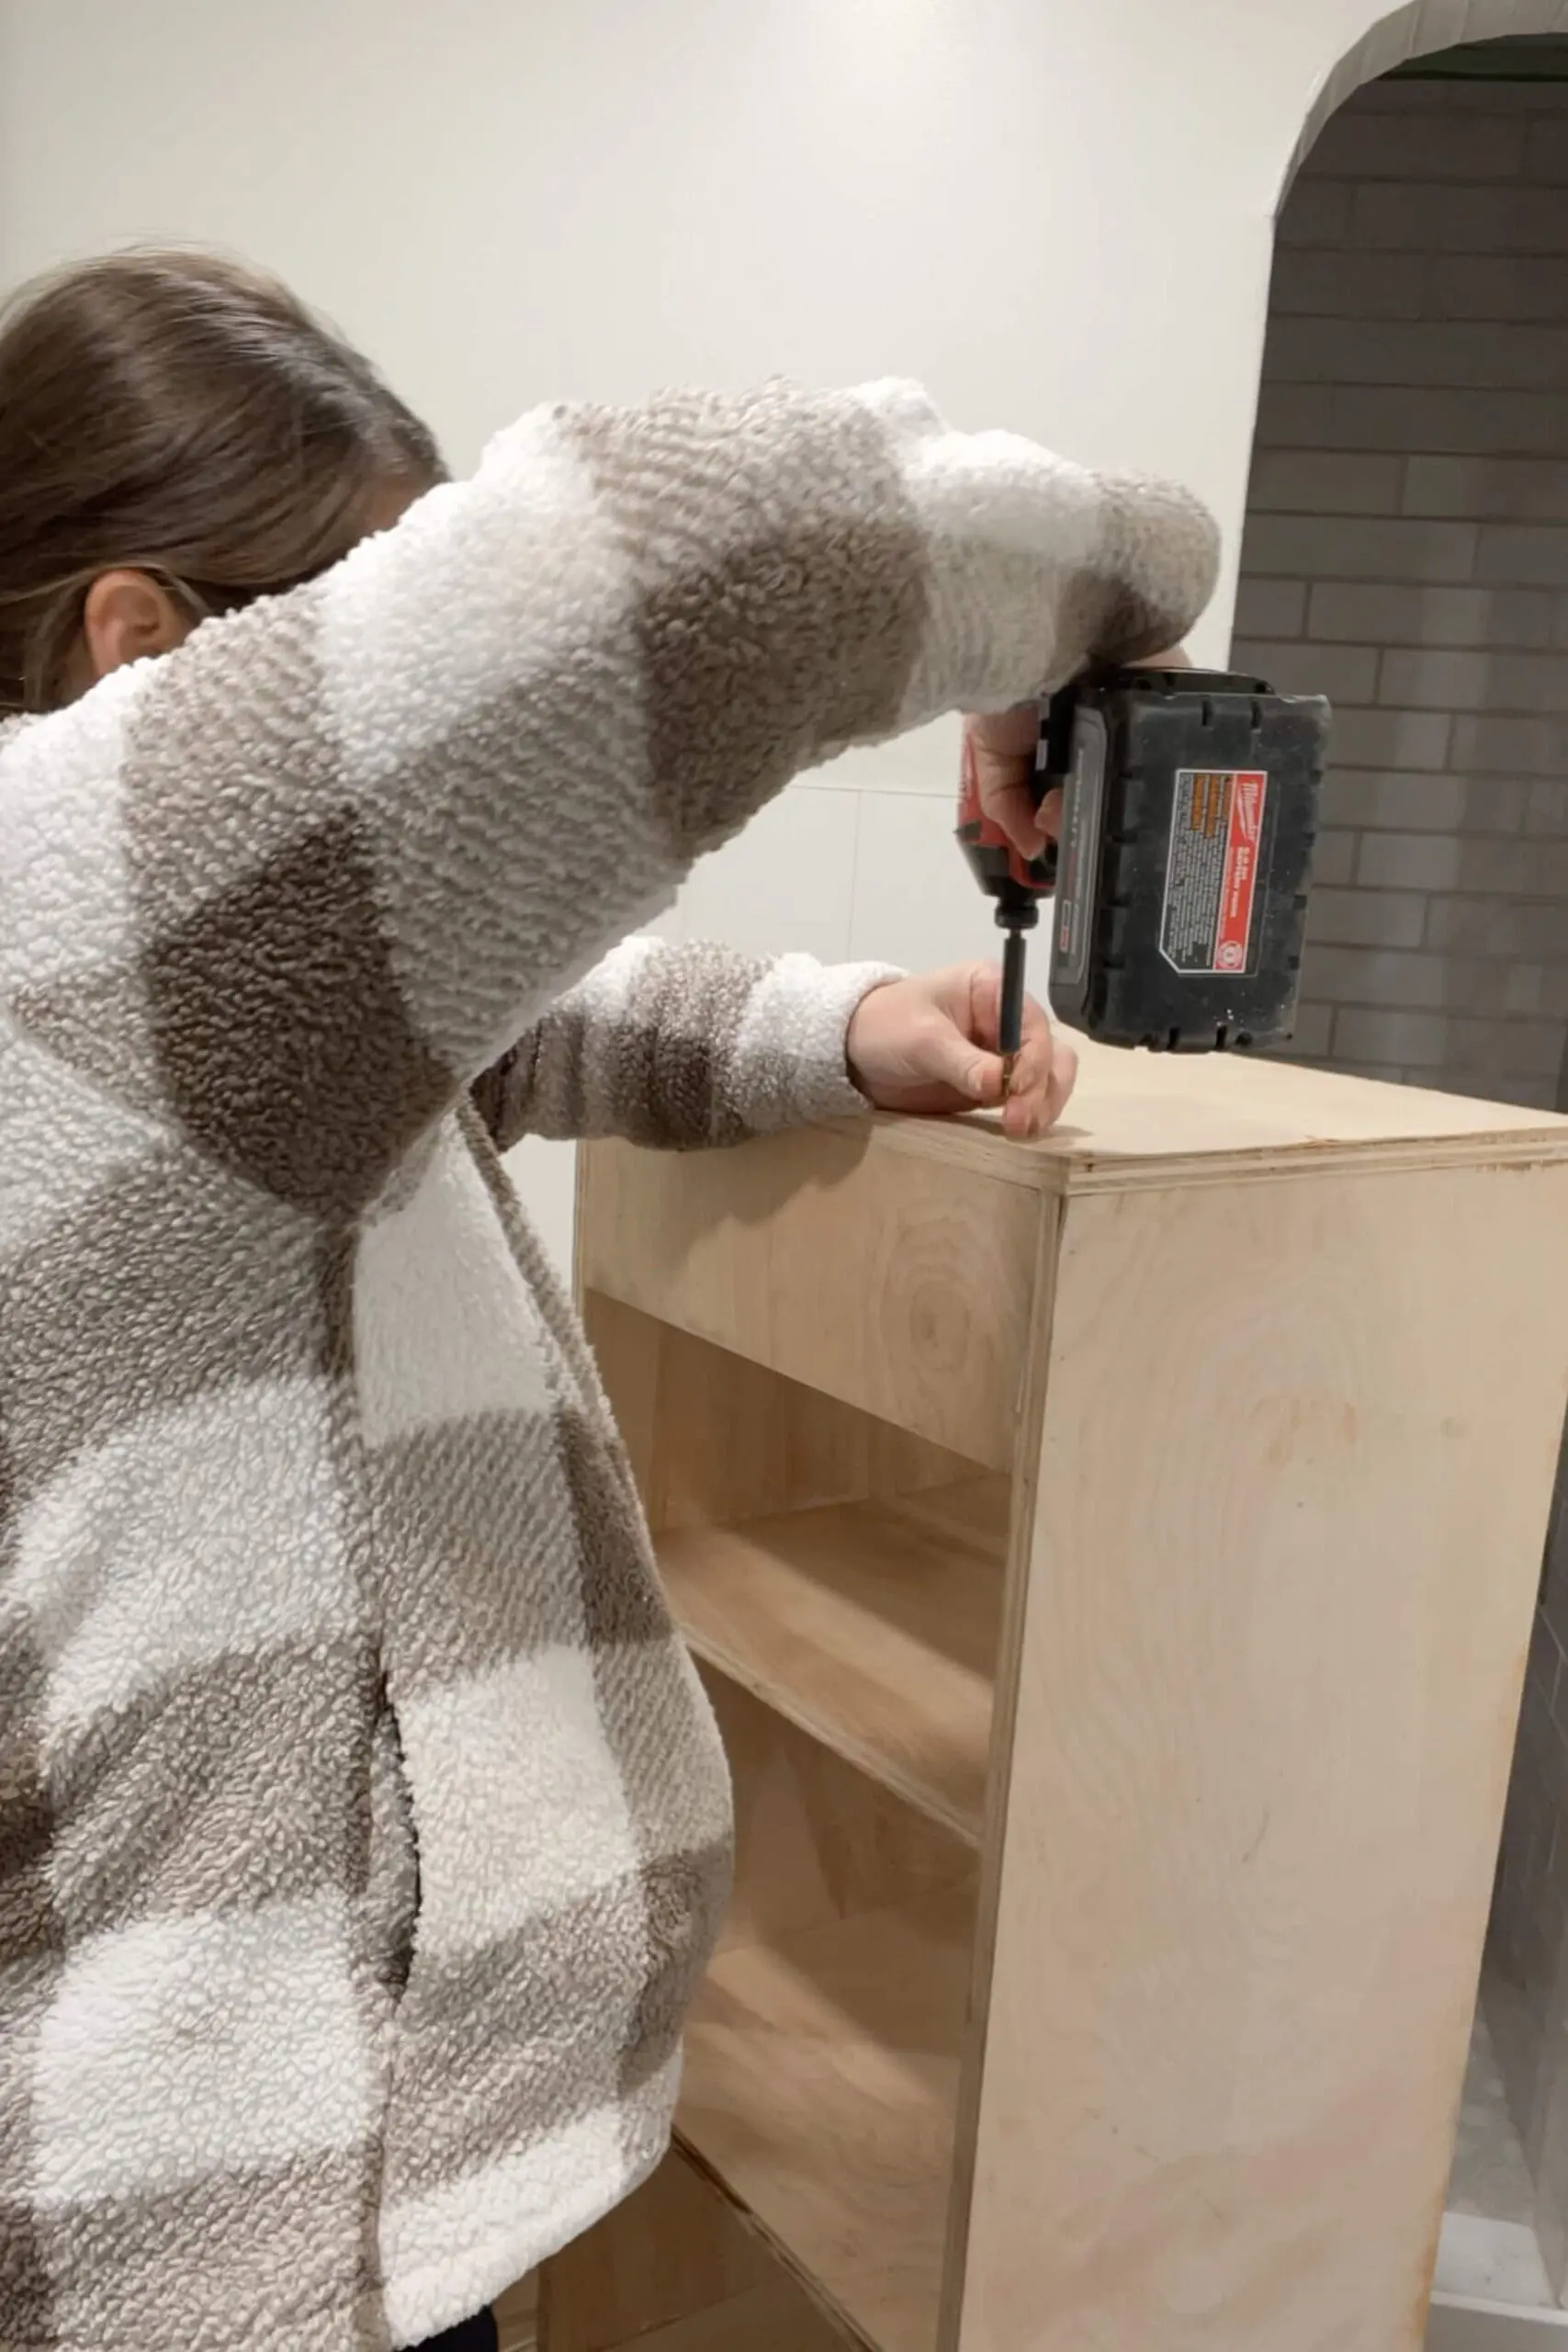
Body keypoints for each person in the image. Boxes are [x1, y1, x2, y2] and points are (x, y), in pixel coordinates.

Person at [0, 249, 1217, 2352]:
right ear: (138, 640)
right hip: (230, 2249)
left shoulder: (108, 977)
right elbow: (756, 537)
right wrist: (1108, 600)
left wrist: (828, 1025)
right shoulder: (91, 875)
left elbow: (457, 1028)